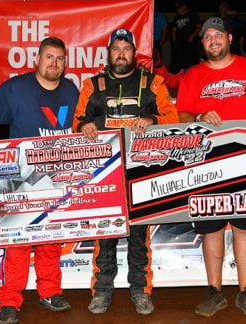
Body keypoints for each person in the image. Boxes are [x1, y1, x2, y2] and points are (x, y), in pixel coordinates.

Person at [175, 16, 246, 318]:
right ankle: (215, 292)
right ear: (203, 42)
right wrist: (197, 119)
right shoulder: (193, 75)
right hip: (207, 162)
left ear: (230, 39)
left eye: (218, 35)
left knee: (243, 228)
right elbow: (181, 115)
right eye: (207, 36)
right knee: (211, 229)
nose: (213, 41)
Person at [73, 28, 179, 316]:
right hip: (104, 173)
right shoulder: (91, 85)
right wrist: (83, 127)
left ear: (135, 53)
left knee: (139, 236)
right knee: (104, 234)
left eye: (127, 49)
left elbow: (173, 118)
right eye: (116, 49)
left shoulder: (153, 83)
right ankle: (102, 292)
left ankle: (140, 291)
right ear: (108, 53)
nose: (121, 54)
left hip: (142, 171)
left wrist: (151, 118)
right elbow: (77, 120)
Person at [0, 37, 77, 324]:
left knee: (50, 239)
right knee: (17, 241)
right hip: (22, 180)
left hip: (57, 178)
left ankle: (50, 292)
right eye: (49, 57)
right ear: (37, 59)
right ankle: (9, 301)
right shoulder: (17, 88)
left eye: (59, 58)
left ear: (65, 63)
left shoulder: (71, 90)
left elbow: (81, 123)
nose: (54, 63)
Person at [171, 0, 202, 73]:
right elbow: (174, 30)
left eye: (180, 8)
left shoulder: (192, 15)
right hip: (180, 45)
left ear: (184, 7)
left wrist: (192, 36)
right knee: (180, 65)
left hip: (190, 45)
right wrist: (174, 42)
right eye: (177, 8)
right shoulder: (177, 17)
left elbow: (199, 26)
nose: (178, 10)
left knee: (191, 64)